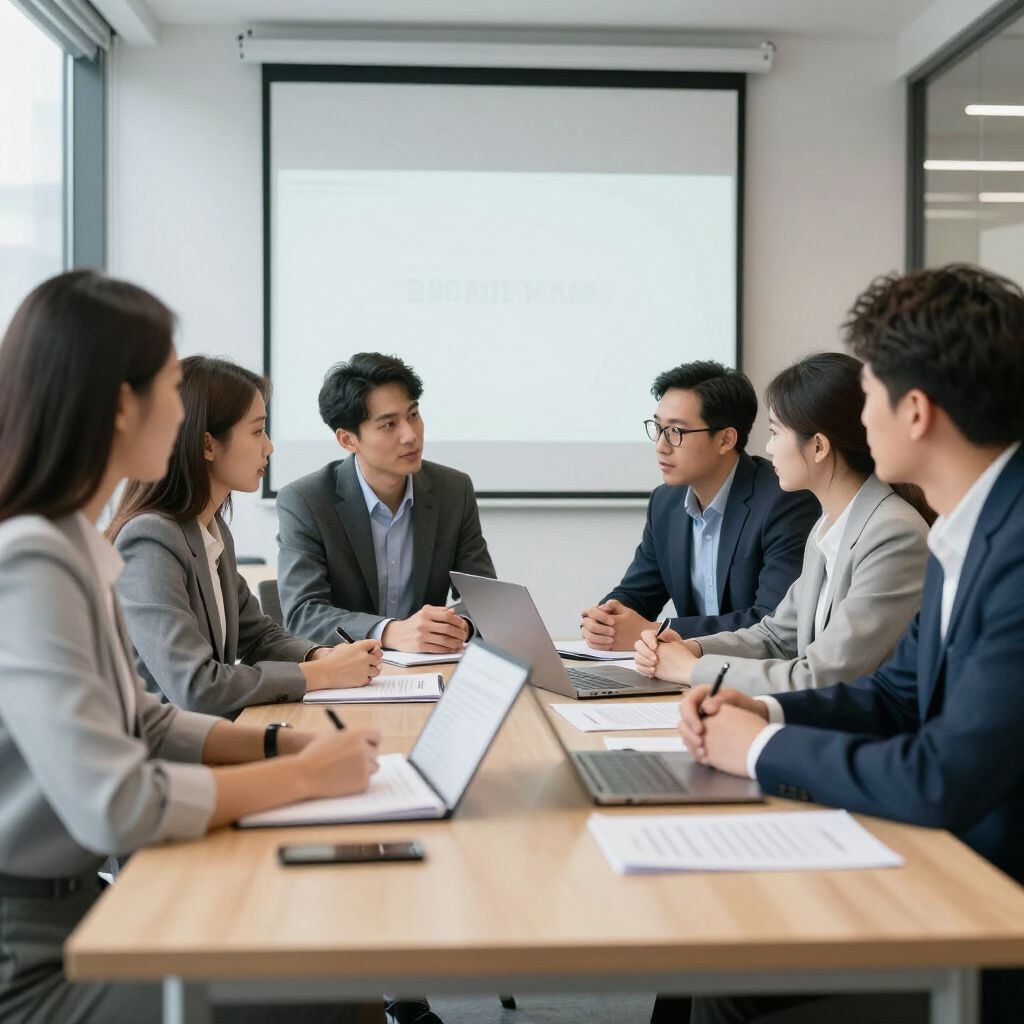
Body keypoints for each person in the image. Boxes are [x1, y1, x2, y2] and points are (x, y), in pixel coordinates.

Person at [0, 270, 379, 1023]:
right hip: (31, 955)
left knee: (329, 963)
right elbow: (122, 804)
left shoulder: (73, 542)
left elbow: (143, 720)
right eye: (172, 389)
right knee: (325, 986)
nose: (181, 415)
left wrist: (282, 748)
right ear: (119, 405)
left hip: (79, 909)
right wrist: (303, 778)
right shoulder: (32, 562)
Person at [677, 265, 1024, 1024]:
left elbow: (943, 776)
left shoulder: (1009, 544)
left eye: (868, 396)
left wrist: (756, 752)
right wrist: (762, 713)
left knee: (730, 978)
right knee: (718, 958)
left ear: (917, 412)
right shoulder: (967, 527)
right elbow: (898, 695)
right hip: (960, 873)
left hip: (994, 918)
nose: (859, 421)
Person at [634, 352, 931, 694]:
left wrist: (693, 668)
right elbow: (776, 637)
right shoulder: (828, 527)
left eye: (775, 432)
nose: (768, 447)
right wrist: (694, 648)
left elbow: (821, 677)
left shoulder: (893, 534)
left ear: (818, 446)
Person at [109, 356, 381, 719]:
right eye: (257, 431)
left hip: (211, 739)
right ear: (207, 445)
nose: (269, 447)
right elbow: (196, 687)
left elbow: (259, 636)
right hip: (167, 758)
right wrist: (320, 674)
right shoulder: (150, 540)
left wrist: (320, 655)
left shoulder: (210, 530)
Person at [581, 361, 820, 652]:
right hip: (684, 674)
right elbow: (637, 593)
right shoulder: (665, 503)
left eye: (676, 432)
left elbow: (771, 620)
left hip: (750, 677)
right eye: (657, 428)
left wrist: (657, 630)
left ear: (725, 439)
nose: (660, 445)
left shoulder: (784, 500)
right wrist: (605, 619)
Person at [277, 352, 496, 652]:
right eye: (389, 425)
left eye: (413, 415)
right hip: (347, 675)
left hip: (427, 671)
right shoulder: (306, 501)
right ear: (347, 440)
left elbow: (486, 598)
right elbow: (303, 613)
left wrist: (461, 625)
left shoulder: (453, 490)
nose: (410, 435)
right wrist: (389, 632)